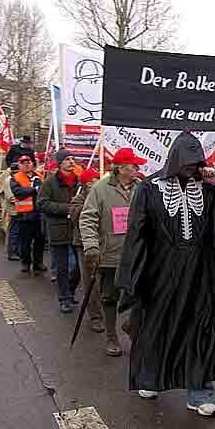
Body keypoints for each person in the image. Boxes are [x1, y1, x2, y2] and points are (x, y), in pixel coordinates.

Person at [116, 132, 215, 417]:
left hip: (200, 274)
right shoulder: (150, 189)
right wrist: (131, 279)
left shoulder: (209, 189)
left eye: (196, 162)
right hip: (160, 273)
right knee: (156, 326)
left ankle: (198, 393)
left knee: (199, 329)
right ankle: (151, 379)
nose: (192, 167)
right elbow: (137, 234)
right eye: (187, 161)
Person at [80, 149, 145, 356]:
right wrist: (91, 246)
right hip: (110, 254)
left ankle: (131, 325)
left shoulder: (142, 188)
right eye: (134, 165)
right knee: (109, 297)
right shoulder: (100, 189)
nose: (137, 168)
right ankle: (111, 337)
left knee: (142, 295)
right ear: (121, 168)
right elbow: (87, 218)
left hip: (136, 254)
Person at [37, 150, 82, 314]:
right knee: (62, 267)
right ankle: (64, 298)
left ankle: (69, 290)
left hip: (77, 229)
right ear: (60, 163)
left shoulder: (79, 182)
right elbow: (42, 204)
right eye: (67, 159)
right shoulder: (49, 183)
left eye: (72, 159)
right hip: (58, 229)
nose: (71, 162)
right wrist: (66, 209)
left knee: (79, 267)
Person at [70, 167, 103, 334]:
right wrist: (93, 202)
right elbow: (78, 216)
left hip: (104, 244)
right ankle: (95, 316)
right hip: (84, 246)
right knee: (91, 281)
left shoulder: (104, 195)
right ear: (89, 183)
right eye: (98, 179)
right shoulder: (78, 199)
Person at [10, 155, 46, 273]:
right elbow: (18, 193)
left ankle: (38, 262)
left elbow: (44, 191)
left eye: (28, 162)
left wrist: (35, 189)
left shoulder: (40, 176)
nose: (26, 164)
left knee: (40, 241)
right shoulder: (15, 178)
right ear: (19, 165)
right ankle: (25, 262)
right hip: (24, 215)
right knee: (25, 242)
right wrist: (34, 189)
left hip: (39, 214)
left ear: (32, 164)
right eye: (23, 163)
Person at [0, 162, 21, 261]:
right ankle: (12, 252)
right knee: (14, 232)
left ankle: (15, 251)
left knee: (16, 232)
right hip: (14, 211)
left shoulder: (12, 180)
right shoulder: (10, 180)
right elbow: (11, 198)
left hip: (17, 210)